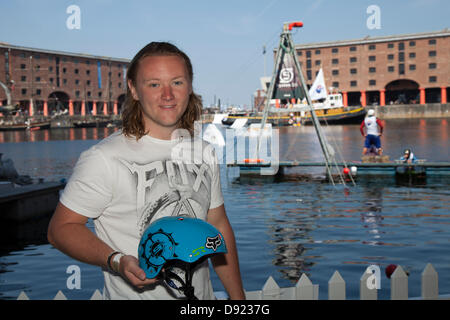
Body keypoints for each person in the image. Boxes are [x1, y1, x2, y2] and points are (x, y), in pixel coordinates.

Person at [47, 42, 245, 300]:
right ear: (134, 89)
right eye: (154, 84)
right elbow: (60, 229)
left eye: (177, 82)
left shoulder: (203, 151)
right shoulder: (104, 158)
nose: (167, 95)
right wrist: (116, 261)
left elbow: (218, 227)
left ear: (190, 87)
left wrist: (238, 299)